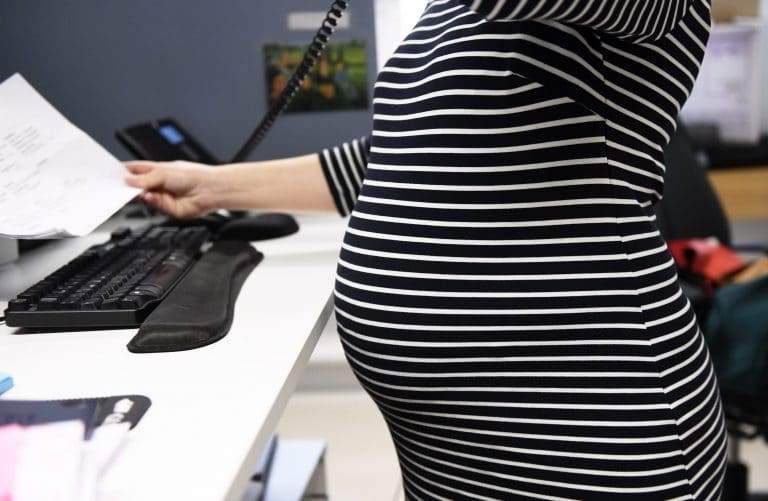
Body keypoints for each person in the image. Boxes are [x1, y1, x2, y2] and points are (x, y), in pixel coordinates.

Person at [124, 0, 726, 498]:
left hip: (587, 427)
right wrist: (212, 188)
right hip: (445, 450)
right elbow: (398, 156)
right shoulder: (448, 16)